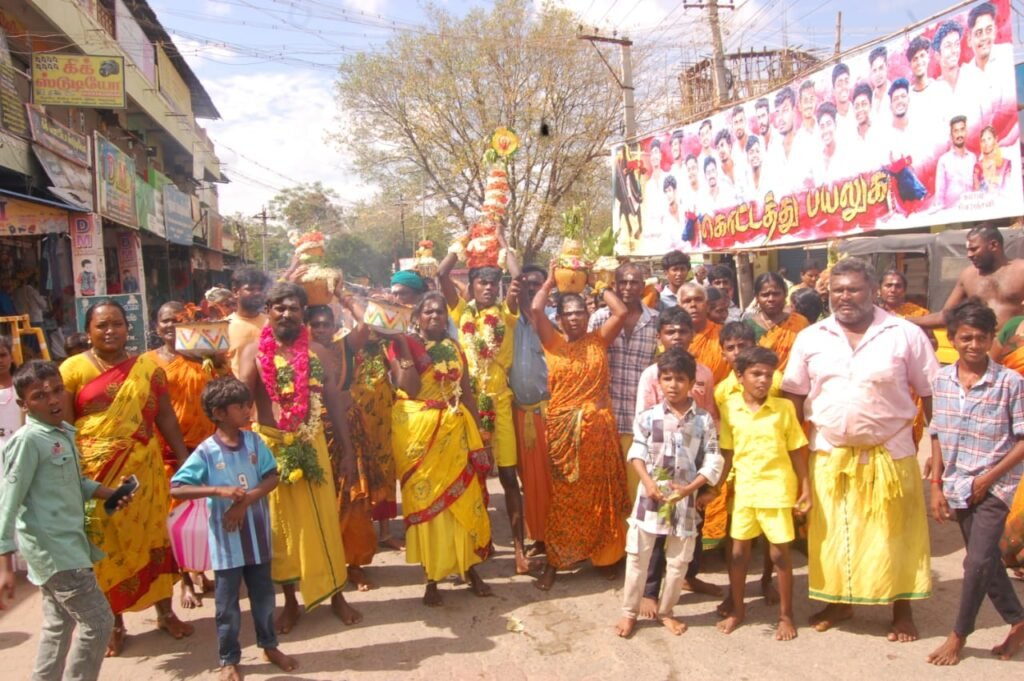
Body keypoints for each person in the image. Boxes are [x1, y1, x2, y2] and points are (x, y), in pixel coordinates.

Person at [782, 257, 939, 641]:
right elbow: (792, 395)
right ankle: (838, 602)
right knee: (834, 534)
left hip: (891, 452)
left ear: (872, 291)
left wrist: (938, 446)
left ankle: (901, 609)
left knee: (895, 534)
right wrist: (790, 454)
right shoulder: (812, 337)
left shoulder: (904, 334)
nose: (844, 297)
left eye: (853, 289)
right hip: (829, 452)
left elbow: (933, 391)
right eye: (837, 290)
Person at [60, 300, 194, 656]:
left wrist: (183, 457)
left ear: (127, 327)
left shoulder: (148, 367)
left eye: (117, 324)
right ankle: (113, 623)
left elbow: (164, 415)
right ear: (88, 330)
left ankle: (165, 612)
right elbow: (63, 423)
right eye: (102, 325)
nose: (110, 331)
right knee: (107, 546)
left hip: (143, 471)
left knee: (152, 536)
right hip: (96, 475)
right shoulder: (73, 369)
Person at [236, 282, 361, 632]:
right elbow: (241, 402)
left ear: (303, 313)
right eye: (279, 307)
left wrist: (348, 452)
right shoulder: (251, 353)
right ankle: (291, 603)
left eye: (293, 308)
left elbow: (334, 401)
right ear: (269, 311)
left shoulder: (319, 352)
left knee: (323, 521)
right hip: (270, 448)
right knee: (282, 530)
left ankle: (336, 595)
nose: (286, 313)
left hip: (312, 443)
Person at [0, 361, 133, 681]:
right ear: (23, 404)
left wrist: (111, 493)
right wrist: (4, 566)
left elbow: (76, 483)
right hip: (56, 551)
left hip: (68, 544)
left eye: (57, 390)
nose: (53, 400)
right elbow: (7, 502)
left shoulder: (60, 433)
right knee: (99, 623)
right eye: (39, 396)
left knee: (59, 624)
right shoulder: (29, 441)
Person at [170, 377, 297, 681]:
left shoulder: (254, 441)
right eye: (240, 406)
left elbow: (271, 477)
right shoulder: (206, 452)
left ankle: (269, 645)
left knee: (264, 596)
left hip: (258, 540)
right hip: (227, 547)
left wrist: (246, 500)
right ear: (219, 412)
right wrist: (218, 491)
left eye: (246, 403)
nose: (247, 409)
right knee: (227, 606)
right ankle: (229, 658)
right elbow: (177, 488)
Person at [927, 298, 1024, 665]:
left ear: (991, 339)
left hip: (995, 486)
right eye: (965, 338)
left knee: (976, 561)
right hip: (956, 483)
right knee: (984, 562)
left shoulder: (1009, 383)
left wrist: (988, 479)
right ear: (953, 338)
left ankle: (958, 635)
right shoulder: (942, 380)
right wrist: (936, 484)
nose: (973, 345)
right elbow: (936, 432)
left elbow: (1022, 439)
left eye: (981, 338)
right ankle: (1018, 620)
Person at [387, 292, 493, 605]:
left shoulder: (456, 347)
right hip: (420, 439)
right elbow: (410, 387)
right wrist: (404, 345)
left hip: (457, 433)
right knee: (428, 509)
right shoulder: (401, 346)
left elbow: (468, 392)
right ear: (417, 318)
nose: (435, 317)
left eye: (439, 312)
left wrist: (481, 436)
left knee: (466, 499)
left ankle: (470, 567)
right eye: (428, 312)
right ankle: (431, 578)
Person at [531, 263, 631, 591]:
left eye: (579, 313)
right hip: (563, 434)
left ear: (588, 315)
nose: (574, 318)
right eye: (567, 314)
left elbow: (621, 309)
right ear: (558, 318)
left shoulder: (598, 341)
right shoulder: (553, 343)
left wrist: (597, 281)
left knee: (602, 497)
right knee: (566, 498)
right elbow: (535, 307)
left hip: (598, 433)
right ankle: (556, 561)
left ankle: (605, 557)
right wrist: (549, 280)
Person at [616, 348, 723, 638]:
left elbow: (713, 459)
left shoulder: (703, 421)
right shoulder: (648, 417)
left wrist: (691, 488)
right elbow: (637, 451)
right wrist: (648, 484)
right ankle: (629, 613)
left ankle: (665, 612)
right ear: (659, 382)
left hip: (684, 502)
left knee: (678, 564)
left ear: (691, 383)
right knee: (637, 556)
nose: (673, 385)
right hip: (650, 499)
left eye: (680, 379)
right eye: (667, 378)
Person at [437, 239, 530, 575]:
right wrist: (459, 243)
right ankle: (478, 543)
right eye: (482, 282)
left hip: (501, 403)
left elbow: (518, 281)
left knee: (507, 476)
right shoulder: (461, 311)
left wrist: (505, 246)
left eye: (494, 283)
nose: (489, 288)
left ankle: (520, 548)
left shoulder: (507, 313)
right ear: (472, 285)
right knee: (471, 477)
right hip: (468, 404)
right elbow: (441, 273)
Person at [717, 347, 809, 640]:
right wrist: (714, 488)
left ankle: (786, 615)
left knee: (779, 555)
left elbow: (797, 450)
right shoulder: (730, 408)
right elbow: (728, 453)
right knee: (738, 553)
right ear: (740, 376)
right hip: (745, 489)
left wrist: (805, 487)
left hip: (777, 489)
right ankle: (738, 610)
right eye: (756, 374)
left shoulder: (782, 410)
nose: (763, 381)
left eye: (768, 375)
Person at [634, 306, 720, 613]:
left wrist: (708, 478)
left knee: (693, 521)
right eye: (670, 331)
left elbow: (709, 416)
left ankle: (689, 576)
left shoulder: (704, 373)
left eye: (683, 331)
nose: (677, 337)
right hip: (661, 464)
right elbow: (643, 419)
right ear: (659, 337)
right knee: (659, 530)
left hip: (694, 464)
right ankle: (649, 591)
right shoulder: (651, 374)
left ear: (693, 334)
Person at [145, 301, 222, 608]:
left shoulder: (204, 358)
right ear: (156, 326)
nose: (171, 325)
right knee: (176, 517)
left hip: (205, 446)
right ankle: (185, 582)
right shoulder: (149, 364)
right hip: (169, 452)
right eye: (165, 320)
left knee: (204, 514)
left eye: (179, 320)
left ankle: (200, 568)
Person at [306, 305, 377, 591]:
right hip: (313, 432)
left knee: (354, 494)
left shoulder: (344, 347)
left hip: (347, 429)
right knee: (319, 497)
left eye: (326, 324)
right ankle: (323, 564)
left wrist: (341, 296)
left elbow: (366, 322)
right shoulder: (299, 355)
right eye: (315, 324)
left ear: (336, 327)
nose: (321, 329)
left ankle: (355, 563)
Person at [588, 263, 659, 505]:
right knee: (604, 491)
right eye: (623, 282)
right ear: (614, 285)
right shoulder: (599, 318)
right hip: (605, 418)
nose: (628, 287)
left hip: (641, 422)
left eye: (634, 282)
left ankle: (634, 543)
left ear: (643, 286)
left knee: (636, 492)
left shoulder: (656, 322)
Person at [509, 265, 553, 557]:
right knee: (529, 482)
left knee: (550, 480)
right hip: (517, 413)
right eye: (526, 284)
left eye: (537, 285)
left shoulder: (552, 323)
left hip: (546, 413)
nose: (530, 289)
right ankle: (538, 537)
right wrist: (500, 240)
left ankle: (553, 537)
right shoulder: (507, 322)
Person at [913, 224, 1024, 333]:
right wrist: (905, 321)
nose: (969, 255)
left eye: (974, 249)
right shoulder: (968, 276)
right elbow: (946, 316)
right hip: (981, 347)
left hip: (1017, 347)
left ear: (994, 245)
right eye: (968, 250)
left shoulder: (1020, 270)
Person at [746, 272, 809, 372]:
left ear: (785, 294)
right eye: (765, 295)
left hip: (792, 383)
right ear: (757, 297)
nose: (771, 299)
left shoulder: (800, 322)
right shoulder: (748, 326)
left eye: (776, 294)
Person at [677, 283, 729, 383]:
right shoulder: (674, 337)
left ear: (708, 305)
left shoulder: (724, 333)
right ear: (679, 307)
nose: (693, 305)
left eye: (698, 300)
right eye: (687, 301)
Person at [226, 267, 269, 378]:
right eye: (250, 289)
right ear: (236, 292)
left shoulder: (271, 324)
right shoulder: (224, 327)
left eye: (260, 289)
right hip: (237, 392)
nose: (257, 293)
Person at [933, 116, 976, 210]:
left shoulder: (973, 158)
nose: (959, 134)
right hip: (951, 215)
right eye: (956, 131)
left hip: (972, 211)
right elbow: (939, 195)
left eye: (962, 130)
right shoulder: (943, 161)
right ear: (951, 135)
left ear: (966, 132)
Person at [973, 125, 1012, 192]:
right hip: (984, 202)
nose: (986, 143)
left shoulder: (1006, 164)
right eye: (983, 140)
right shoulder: (977, 166)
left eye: (989, 139)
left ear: (995, 139)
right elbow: (976, 192)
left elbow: (1008, 190)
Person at [0, 336, 21, 447]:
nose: (0, 360)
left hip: (21, 446)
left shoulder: (22, 386)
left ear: (11, 357)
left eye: (3, 355)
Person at [868, 45, 890, 118]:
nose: (878, 74)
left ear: (887, 66)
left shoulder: (896, 93)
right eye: (874, 70)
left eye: (881, 68)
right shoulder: (869, 100)